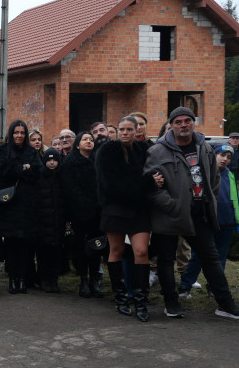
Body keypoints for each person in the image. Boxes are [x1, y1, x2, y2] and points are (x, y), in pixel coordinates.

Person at [144, 107, 239, 320]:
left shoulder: (205, 147)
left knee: (210, 258)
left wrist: (209, 200)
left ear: (193, 123)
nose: (183, 125)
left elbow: (215, 178)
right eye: (178, 122)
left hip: (199, 214)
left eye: (187, 121)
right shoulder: (157, 151)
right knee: (166, 260)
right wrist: (172, 205)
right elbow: (151, 186)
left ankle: (225, 304)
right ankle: (171, 303)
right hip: (169, 215)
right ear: (171, 125)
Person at [97, 116, 154, 320]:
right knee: (116, 251)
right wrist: (145, 183)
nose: (125, 132)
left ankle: (141, 301)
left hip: (139, 209)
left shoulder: (144, 149)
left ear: (136, 130)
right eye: (122, 129)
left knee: (141, 251)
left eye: (129, 129)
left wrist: (142, 183)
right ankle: (121, 298)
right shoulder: (107, 150)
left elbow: (154, 173)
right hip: (115, 208)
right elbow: (111, 185)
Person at [179, 144, 239, 299]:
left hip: (226, 222)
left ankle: (214, 286)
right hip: (207, 222)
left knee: (220, 257)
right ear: (213, 156)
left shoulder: (230, 175)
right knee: (198, 256)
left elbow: (235, 199)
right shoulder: (203, 173)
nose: (225, 159)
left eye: (229, 157)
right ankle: (185, 285)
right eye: (222, 155)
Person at [0, 120, 42, 294]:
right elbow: (2, 170)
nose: (19, 135)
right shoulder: (2, 150)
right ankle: (12, 279)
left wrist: (19, 169)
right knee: (11, 244)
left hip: (28, 205)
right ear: (11, 133)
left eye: (22, 132)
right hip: (8, 204)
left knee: (25, 245)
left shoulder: (31, 151)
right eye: (16, 132)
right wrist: (23, 168)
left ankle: (22, 279)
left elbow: (37, 172)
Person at [60, 131, 105, 299]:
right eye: (85, 139)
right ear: (77, 145)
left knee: (97, 246)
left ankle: (95, 280)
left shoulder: (98, 161)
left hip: (97, 212)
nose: (89, 141)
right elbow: (69, 189)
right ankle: (83, 280)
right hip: (78, 213)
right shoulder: (69, 163)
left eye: (90, 139)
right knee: (80, 247)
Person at [33, 146, 66, 293]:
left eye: (55, 160)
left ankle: (54, 280)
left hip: (58, 222)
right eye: (49, 160)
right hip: (43, 223)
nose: (52, 163)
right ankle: (44, 280)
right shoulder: (39, 178)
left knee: (56, 254)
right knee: (43, 254)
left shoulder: (62, 178)